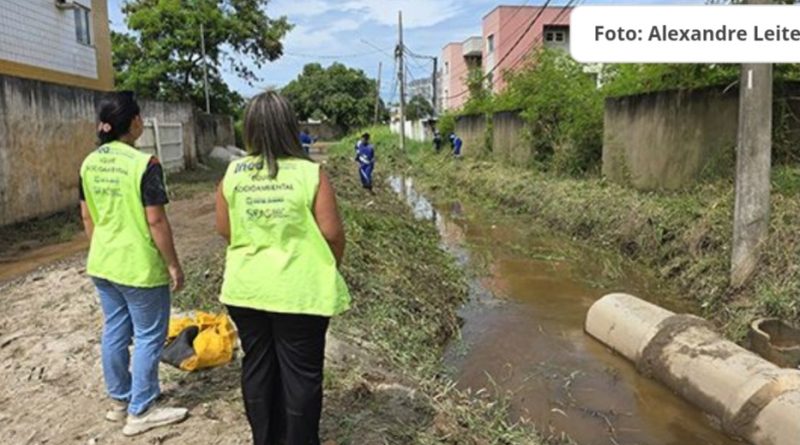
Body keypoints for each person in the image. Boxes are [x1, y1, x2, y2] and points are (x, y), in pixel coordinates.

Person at [215, 91, 351, 445]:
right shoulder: (311, 174)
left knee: (258, 366)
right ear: (291, 128)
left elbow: (225, 230)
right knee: (301, 376)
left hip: (246, 290)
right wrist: (325, 268)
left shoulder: (232, 174)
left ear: (250, 129)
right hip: (300, 293)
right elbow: (333, 235)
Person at [79, 91, 188, 436]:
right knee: (148, 335)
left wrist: (103, 248)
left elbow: (86, 216)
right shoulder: (145, 164)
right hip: (138, 267)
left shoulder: (89, 162)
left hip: (103, 262)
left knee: (114, 330)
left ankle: (120, 402)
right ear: (134, 122)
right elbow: (156, 221)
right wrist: (173, 264)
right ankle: (141, 410)